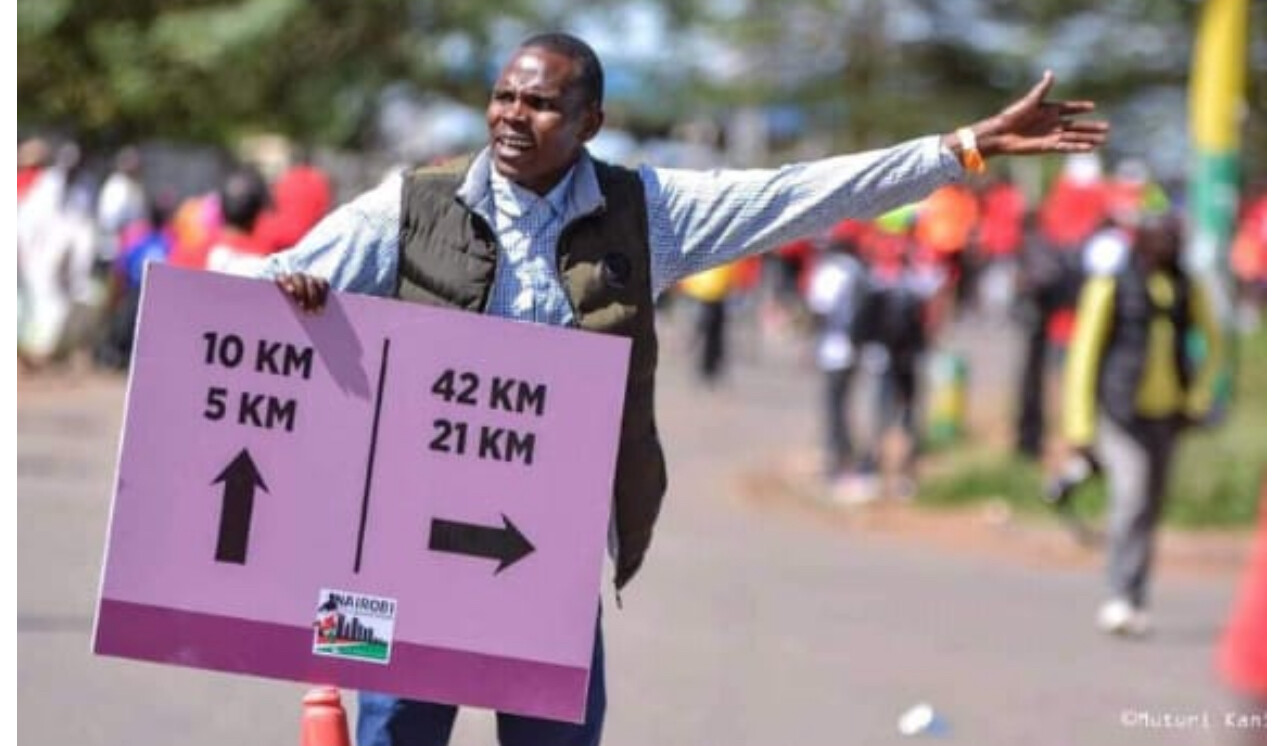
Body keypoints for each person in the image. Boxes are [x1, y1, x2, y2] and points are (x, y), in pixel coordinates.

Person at [252, 32, 1107, 746]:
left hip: (542, 552)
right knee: (393, 735)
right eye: (503, 96)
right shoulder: (409, 206)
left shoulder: (644, 215)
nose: (512, 115)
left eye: (540, 103)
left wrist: (962, 148)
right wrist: (294, 294)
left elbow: (799, 195)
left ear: (591, 122)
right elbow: (257, 302)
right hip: (402, 548)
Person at [1061, 214, 1222, 638]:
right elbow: (1083, 357)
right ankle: (1118, 593)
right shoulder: (1111, 285)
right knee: (1129, 499)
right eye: (1162, 238)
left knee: (1150, 507)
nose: (1169, 245)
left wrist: (1198, 396)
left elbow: (1214, 342)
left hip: (1167, 415)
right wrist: (1079, 426)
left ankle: (1136, 596)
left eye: (1174, 238)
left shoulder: (1186, 287)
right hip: (1121, 414)